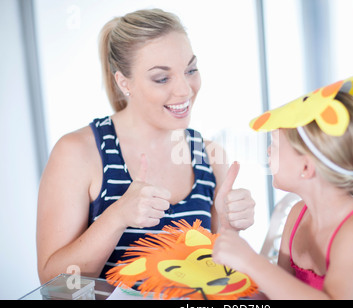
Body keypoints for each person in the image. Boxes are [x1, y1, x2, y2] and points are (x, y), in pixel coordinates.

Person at [36, 8, 255, 284]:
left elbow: (219, 277)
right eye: (162, 78)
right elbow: (52, 282)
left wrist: (231, 229)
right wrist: (118, 215)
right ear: (123, 82)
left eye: (191, 70)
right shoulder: (77, 153)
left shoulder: (210, 156)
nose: (185, 90)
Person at [213, 76, 353, 300]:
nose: (268, 151)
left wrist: (251, 262)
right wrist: (229, 235)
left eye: (275, 144)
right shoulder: (298, 215)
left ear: (306, 167)